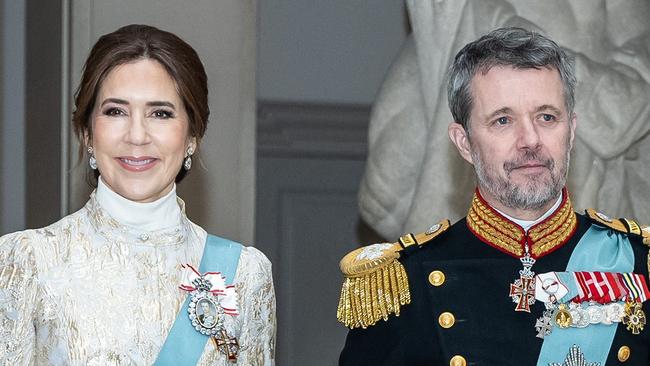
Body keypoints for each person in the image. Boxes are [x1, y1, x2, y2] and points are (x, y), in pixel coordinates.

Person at [337, 27, 650, 366]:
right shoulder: (404, 283)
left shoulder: (638, 263)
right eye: (503, 120)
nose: (530, 140)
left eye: (547, 117)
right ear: (464, 143)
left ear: (571, 131)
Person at [0, 24, 275, 365]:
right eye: (116, 111)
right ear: (87, 133)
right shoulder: (28, 262)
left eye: (160, 113)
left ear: (192, 136)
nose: (137, 135)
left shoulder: (245, 273)